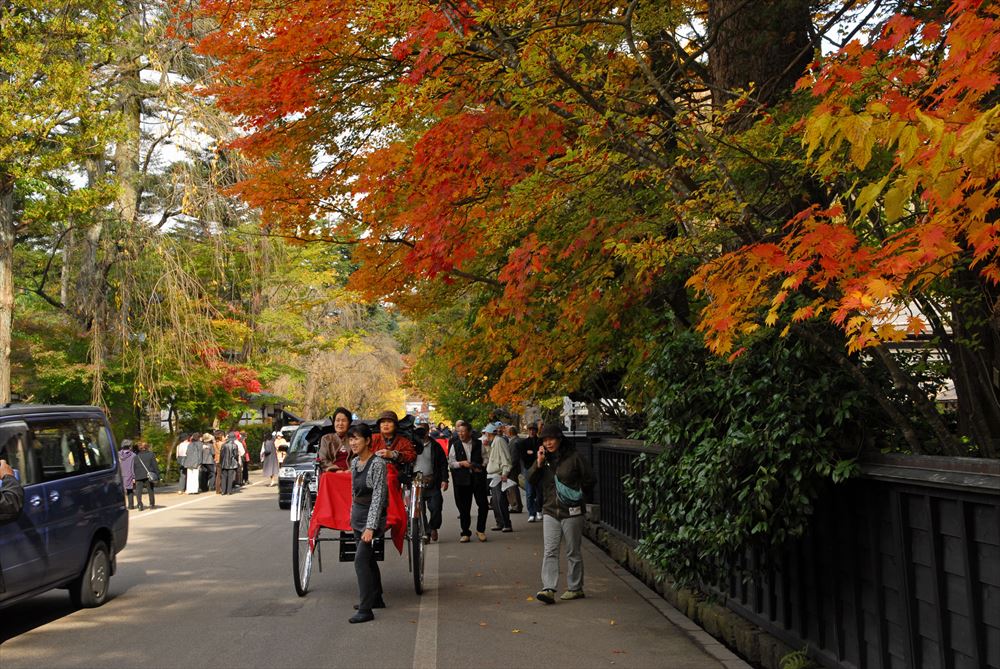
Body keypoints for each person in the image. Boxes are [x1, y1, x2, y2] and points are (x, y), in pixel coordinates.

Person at [527, 423, 595, 604]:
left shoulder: (574, 458)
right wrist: (539, 464)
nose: (548, 443)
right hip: (550, 509)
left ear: (559, 439)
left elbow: (590, 479)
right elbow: (530, 480)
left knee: (573, 551)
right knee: (550, 550)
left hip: (572, 511)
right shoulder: (544, 460)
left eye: (551, 439)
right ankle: (548, 588)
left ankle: (575, 588)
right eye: (545, 440)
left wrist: (578, 495)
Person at [347, 422, 387, 624]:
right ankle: (377, 597)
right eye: (351, 438)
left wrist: (370, 527)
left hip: (373, 516)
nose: (353, 442)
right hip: (358, 515)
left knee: (360, 560)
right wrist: (352, 516)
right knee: (369, 559)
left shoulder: (378, 464)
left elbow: (379, 496)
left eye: (357, 438)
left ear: (368, 440)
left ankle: (365, 609)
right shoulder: (354, 462)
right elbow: (354, 493)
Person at [448, 420, 489, 543]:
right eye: (458, 432)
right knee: (464, 507)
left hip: (478, 479)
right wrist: (461, 464)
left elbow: (486, 458)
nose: (460, 434)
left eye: (463, 431)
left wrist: (481, 466)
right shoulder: (455, 445)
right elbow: (451, 462)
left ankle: (480, 530)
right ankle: (465, 532)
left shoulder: (478, 443)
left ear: (470, 432)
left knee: (483, 505)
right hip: (462, 480)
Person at [413, 421, 449, 542]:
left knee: (436, 507)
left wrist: (445, 479)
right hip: (416, 481)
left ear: (428, 431)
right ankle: (426, 532)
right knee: (419, 510)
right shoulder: (411, 445)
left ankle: (433, 527)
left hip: (432, 480)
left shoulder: (435, 446)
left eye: (423, 430)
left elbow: (443, 463)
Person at [484, 423, 514, 533]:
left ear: (488, 433)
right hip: (493, 474)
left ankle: (506, 523)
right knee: (496, 501)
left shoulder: (499, 441)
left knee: (500, 500)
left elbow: (505, 458)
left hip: (498, 474)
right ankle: (500, 522)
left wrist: (505, 472)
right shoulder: (494, 442)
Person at [516, 424, 543, 521]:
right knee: (529, 493)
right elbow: (523, 457)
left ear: (536, 431)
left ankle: (539, 510)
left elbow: (542, 454)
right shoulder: (524, 443)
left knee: (540, 493)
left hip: (540, 469)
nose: (532, 431)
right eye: (530, 430)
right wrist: (535, 454)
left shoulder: (541, 441)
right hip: (528, 469)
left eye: (533, 430)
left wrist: (532, 453)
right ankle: (531, 513)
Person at [317, 407, 353, 472]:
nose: (340, 423)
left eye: (344, 421)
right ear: (334, 423)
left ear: (349, 423)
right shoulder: (326, 439)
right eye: (337, 420)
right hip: (332, 472)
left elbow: (360, 458)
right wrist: (336, 470)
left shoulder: (354, 438)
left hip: (351, 473)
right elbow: (323, 459)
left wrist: (351, 470)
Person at [133, 441, 160, 511]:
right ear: (147, 447)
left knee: (138, 491)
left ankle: (139, 505)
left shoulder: (136, 456)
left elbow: (134, 467)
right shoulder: (151, 454)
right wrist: (157, 475)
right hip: (149, 475)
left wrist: (134, 476)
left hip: (138, 475)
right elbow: (155, 466)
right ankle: (151, 504)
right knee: (150, 490)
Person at [503, 425, 523, 513]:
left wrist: (509, 469)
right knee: (512, 487)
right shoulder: (515, 440)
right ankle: (515, 505)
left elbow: (514, 458)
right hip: (514, 468)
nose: (505, 432)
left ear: (510, 432)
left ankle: (516, 506)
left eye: (507, 431)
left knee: (512, 488)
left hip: (513, 469)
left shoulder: (514, 442)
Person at [118, 438, 136, 509]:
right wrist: (134, 477)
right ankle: (131, 505)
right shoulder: (133, 455)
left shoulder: (118, 454)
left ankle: (121, 506)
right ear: (129, 446)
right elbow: (133, 467)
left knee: (120, 491)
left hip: (120, 475)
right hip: (129, 475)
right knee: (130, 491)